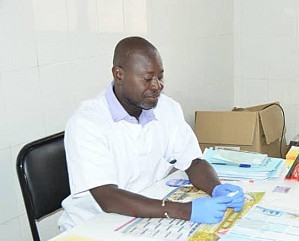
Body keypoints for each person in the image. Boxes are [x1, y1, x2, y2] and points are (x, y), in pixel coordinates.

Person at [59, 36, 244, 230]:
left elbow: (194, 162)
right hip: (94, 226)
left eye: (160, 76)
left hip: (149, 215)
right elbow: (108, 198)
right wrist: (184, 211)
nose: (157, 85)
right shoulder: (86, 123)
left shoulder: (167, 108)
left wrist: (216, 188)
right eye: (147, 79)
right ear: (119, 74)